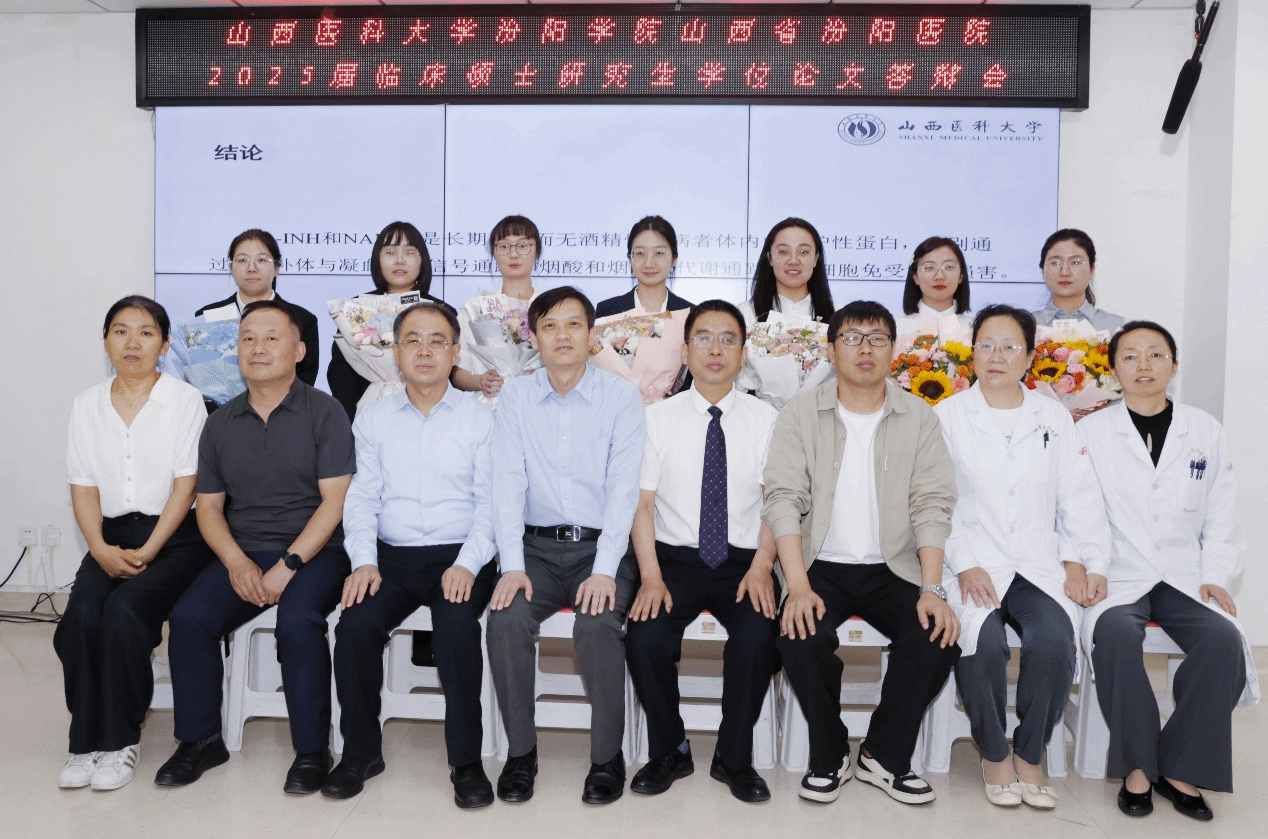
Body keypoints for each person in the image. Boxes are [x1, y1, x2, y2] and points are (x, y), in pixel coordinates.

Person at [154, 300, 355, 794]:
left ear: (299, 351)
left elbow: (335, 504)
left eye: (271, 338)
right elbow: (208, 507)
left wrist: (289, 564)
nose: (257, 348)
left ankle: (311, 750)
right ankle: (201, 740)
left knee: (298, 621)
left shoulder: (325, 412)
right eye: (247, 339)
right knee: (189, 618)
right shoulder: (220, 421)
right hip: (244, 550)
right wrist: (235, 561)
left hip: (317, 551)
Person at [764, 300, 959, 806]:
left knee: (936, 636)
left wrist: (932, 588)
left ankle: (883, 756)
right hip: (819, 566)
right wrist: (797, 587)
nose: (865, 348)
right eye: (851, 338)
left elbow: (932, 504)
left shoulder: (919, 417)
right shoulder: (799, 414)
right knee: (799, 635)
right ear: (831, 350)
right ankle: (829, 753)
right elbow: (783, 499)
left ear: (894, 349)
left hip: (894, 566)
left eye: (877, 338)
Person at [934, 304, 1110, 810]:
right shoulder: (947, 416)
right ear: (971, 353)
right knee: (983, 643)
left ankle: (1030, 752)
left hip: (1036, 563)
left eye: (1010, 346)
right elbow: (936, 501)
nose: (997, 356)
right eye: (986, 345)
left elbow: (1078, 496)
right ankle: (994, 753)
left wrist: (1081, 560)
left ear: (1030, 357)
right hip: (970, 561)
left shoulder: (1052, 417)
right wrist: (965, 561)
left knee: (1053, 641)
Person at [1080, 321, 1256, 822]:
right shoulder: (1090, 433)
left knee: (1223, 642)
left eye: (1155, 355)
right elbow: (1078, 511)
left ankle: (1179, 766)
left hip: (1184, 572)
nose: (1143, 365)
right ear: (1114, 371)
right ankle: (1139, 767)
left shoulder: (1204, 430)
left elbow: (1221, 511)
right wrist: (1091, 565)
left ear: (1174, 366)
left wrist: (1216, 572)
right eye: (1130, 356)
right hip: (1116, 571)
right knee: (1116, 635)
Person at [325, 302, 498, 807]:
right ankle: (360, 753)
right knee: (354, 628)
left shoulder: (481, 419)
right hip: (391, 558)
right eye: (413, 340)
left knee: (456, 631)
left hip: (460, 554)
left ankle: (466, 762)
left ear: (455, 352)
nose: (425, 350)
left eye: (437, 340)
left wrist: (467, 563)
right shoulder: (373, 419)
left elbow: (492, 502)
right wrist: (363, 560)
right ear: (397, 352)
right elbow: (362, 498)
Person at [486, 286, 645, 805]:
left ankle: (606, 757)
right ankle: (521, 753)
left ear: (591, 335)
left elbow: (623, 491)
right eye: (549, 325)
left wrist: (604, 570)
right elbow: (506, 484)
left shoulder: (620, 397)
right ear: (533, 336)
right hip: (533, 549)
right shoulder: (516, 397)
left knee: (597, 625)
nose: (562, 335)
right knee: (505, 620)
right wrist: (511, 565)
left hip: (601, 549)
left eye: (574, 324)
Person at [55, 296, 212, 791]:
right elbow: (83, 486)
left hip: (175, 539)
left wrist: (149, 550)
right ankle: (84, 742)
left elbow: (186, 486)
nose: (132, 342)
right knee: (80, 619)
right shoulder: (87, 403)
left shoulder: (184, 400)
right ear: (106, 342)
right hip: (111, 538)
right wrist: (99, 548)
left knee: (125, 614)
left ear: (164, 346)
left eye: (146, 333)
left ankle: (121, 740)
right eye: (121, 331)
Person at [625, 300, 779, 803]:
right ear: (685, 351)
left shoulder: (767, 419)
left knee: (758, 636)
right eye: (704, 338)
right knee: (645, 637)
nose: (716, 349)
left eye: (728, 339)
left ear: (743, 353)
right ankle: (669, 750)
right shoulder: (655, 419)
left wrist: (763, 567)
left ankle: (733, 758)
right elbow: (642, 505)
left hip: (745, 562)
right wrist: (651, 577)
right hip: (672, 561)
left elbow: (778, 503)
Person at [327, 221, 450, 420]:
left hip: (432, 412)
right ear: (377, 259)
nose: (399, 260)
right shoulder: (356, 310)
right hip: (369, 412)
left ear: (422, 260)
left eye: (409, 252)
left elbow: (452, 370)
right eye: (390, 252)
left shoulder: (441, 311)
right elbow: (341, 375)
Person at [195, 229, 320, 390]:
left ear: (276, 268)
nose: (251, 268)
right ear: (231, 267)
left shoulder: (302, 319)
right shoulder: (206, 316)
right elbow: (202, 378)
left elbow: (305, 381)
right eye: (242, 260)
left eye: (261, 260)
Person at [451, 215, 543, 405]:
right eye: (504, 246)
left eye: (523, 245)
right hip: (488, 408)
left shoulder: (551, 308)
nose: (514, 254)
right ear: (493, 253)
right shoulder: (475, 308)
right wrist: (479, 381)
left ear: (537, 252)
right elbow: (455, 370)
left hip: (541, 405)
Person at [737, 217, 834, 328]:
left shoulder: (839, 315)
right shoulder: (744, 315)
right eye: (783, 252)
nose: (793, 261)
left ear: (816, 258)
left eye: (803, 252)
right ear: (769, 257)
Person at [595, 215, 693, 318]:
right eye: (640, 253)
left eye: (659, 253)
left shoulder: (690, 314)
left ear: (674, 259)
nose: (649, 264)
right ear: (630, 258)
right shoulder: (608, 311)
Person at [1032, 229, 1123, 334]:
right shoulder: (1025, 327)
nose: (1065, 272)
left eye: (1075, 262)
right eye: (1055, 263)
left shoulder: (1116, 327)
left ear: (1091, 269)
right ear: (1043, 270)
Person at [894, 236, 973, 342]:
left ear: (961, 276)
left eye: (949, 267)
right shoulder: (896, 328)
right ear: (915, 277)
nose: (940, 276)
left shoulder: (976, 328)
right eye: (929, 268)